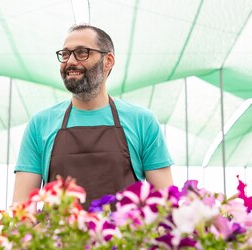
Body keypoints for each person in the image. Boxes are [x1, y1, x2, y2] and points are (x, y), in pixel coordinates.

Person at [13, 24, 173, 207]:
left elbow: (166, 204)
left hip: (123, 235)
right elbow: (22, 208)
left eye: (82, 52)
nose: (70, 61)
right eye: (65, 54)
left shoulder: (142, 121)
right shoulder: (40, 124)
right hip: (58, 236)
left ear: (108, 61)